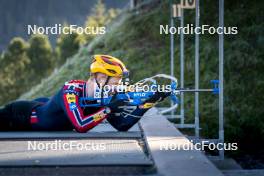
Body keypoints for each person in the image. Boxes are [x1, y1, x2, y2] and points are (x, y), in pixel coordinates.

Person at [0, 55, 168, 132]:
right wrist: (108, 109)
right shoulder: (71, 90)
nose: (117, 88)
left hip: (46, 108)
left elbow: (121, 125)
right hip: (20, 115)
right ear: (101, 78)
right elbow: (80, 125)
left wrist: (148, 103)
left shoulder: (103, 97)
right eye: (115, 82)